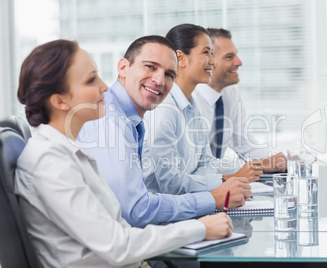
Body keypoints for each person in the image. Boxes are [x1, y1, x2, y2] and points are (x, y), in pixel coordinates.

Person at [15, 39, 234, 268]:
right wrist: (200, 228)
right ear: (60, 101)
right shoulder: (51, 161)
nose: (105, 87)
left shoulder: (70, 152)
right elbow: (118, 242)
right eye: (91, 79)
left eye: (169, 74)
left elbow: (118, 223)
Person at [78, 35, 252, 228]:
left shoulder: (132, 119)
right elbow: (136, 210)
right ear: (123, 68)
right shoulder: (110, 120)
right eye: (150, 67)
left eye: (169, 74)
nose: (159, 80)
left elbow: (205, 162)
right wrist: (212, 198)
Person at [143, 24, 262, 196]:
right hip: (164, 214)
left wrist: (198, 179)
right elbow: (171, 184)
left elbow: (206, 163)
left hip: (187, 203)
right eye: (206, 53)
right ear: (181, 58)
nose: (212, 61)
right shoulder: (163, 109)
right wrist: (223, 181)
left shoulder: (192, 105)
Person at [193, 28, 287, 175]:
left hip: (219, 183)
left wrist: (277, 160)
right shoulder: (190, 98)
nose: (239, 62)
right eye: (229, 57)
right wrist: (256, 166)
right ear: (208, 60)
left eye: (236, 55)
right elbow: (197, 164)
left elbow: (245, 144)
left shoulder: (231, 92)